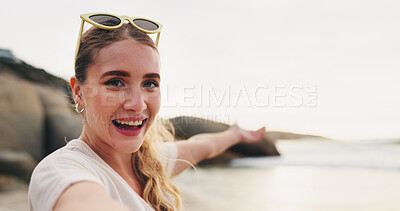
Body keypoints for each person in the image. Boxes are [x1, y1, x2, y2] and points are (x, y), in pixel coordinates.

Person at [28, 12, 265, 211]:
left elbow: (203, 145)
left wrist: (236, 134)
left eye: (150, 84)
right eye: (115, 82)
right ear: (79, 92)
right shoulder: (60, 170)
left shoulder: (148, 163)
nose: (138, 104)